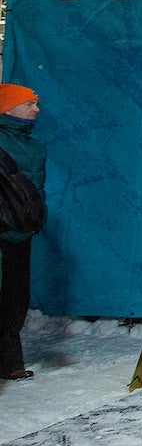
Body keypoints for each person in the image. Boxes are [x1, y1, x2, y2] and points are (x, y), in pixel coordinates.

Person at [0, 84, 47, 381]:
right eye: (29, 103)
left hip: (21, 230)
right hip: (8, 229)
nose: (36, 109)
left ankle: (9, 362)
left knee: (16, 296)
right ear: (8, 107)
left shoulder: (35, 146)